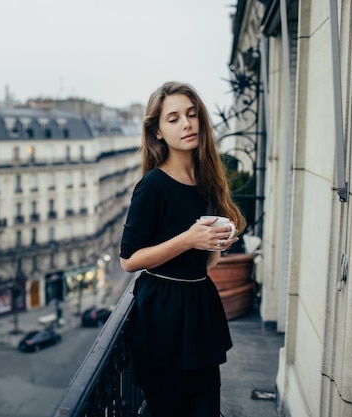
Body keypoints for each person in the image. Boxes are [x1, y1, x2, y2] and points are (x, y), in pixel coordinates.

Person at [119, 81, 246, 416]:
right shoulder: (153, 185)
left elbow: (202, 266)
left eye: (192, 115)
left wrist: (216, 242)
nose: (186, 124)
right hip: (163, 313)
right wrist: (189, 239)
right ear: (157, 132)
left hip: (199, 305)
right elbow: (129, 260)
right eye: (173, 118)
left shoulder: (205, 180)